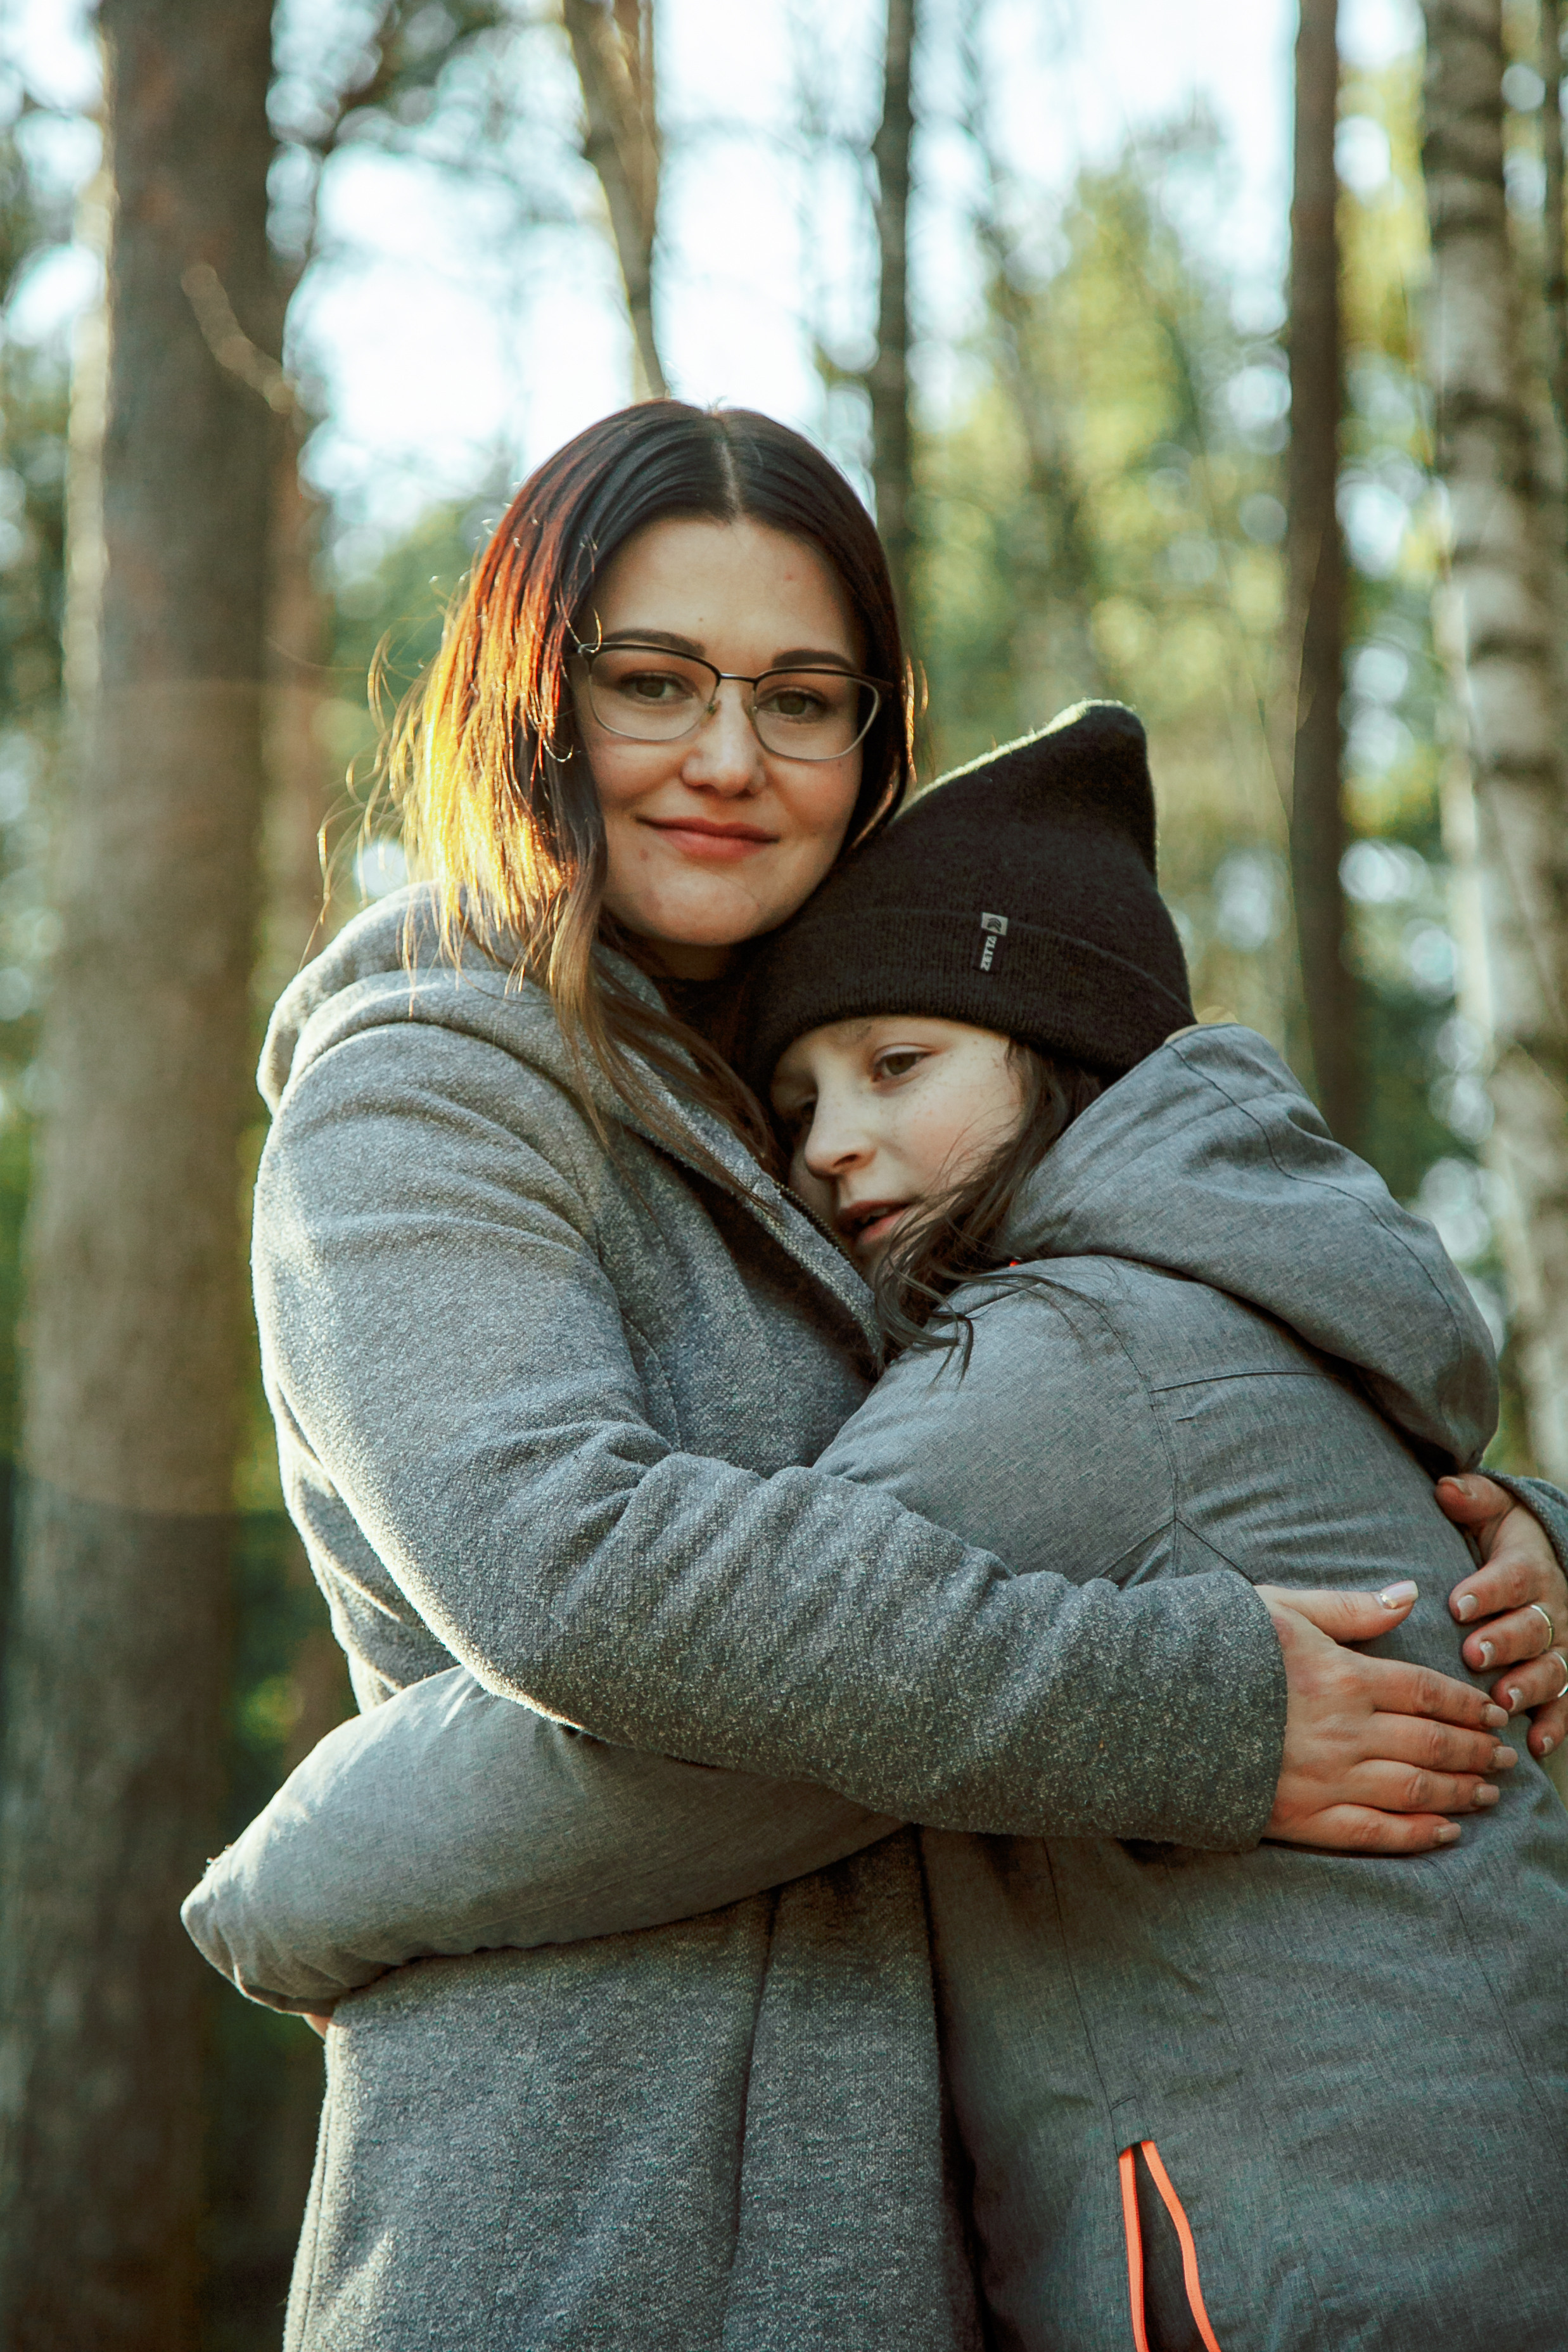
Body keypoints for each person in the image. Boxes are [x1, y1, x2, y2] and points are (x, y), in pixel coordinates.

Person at [188, 404, 1568, 2351]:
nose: (731, 760)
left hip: (922, 2213)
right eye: (654, 682)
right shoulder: (427, 1090)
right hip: (592, 2197)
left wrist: (1492, 1551)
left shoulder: (843, 1110)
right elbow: (579, 1577)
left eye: (804, 698)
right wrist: (1202, 1708)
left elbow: (1139, 1400)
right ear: (532, 701)